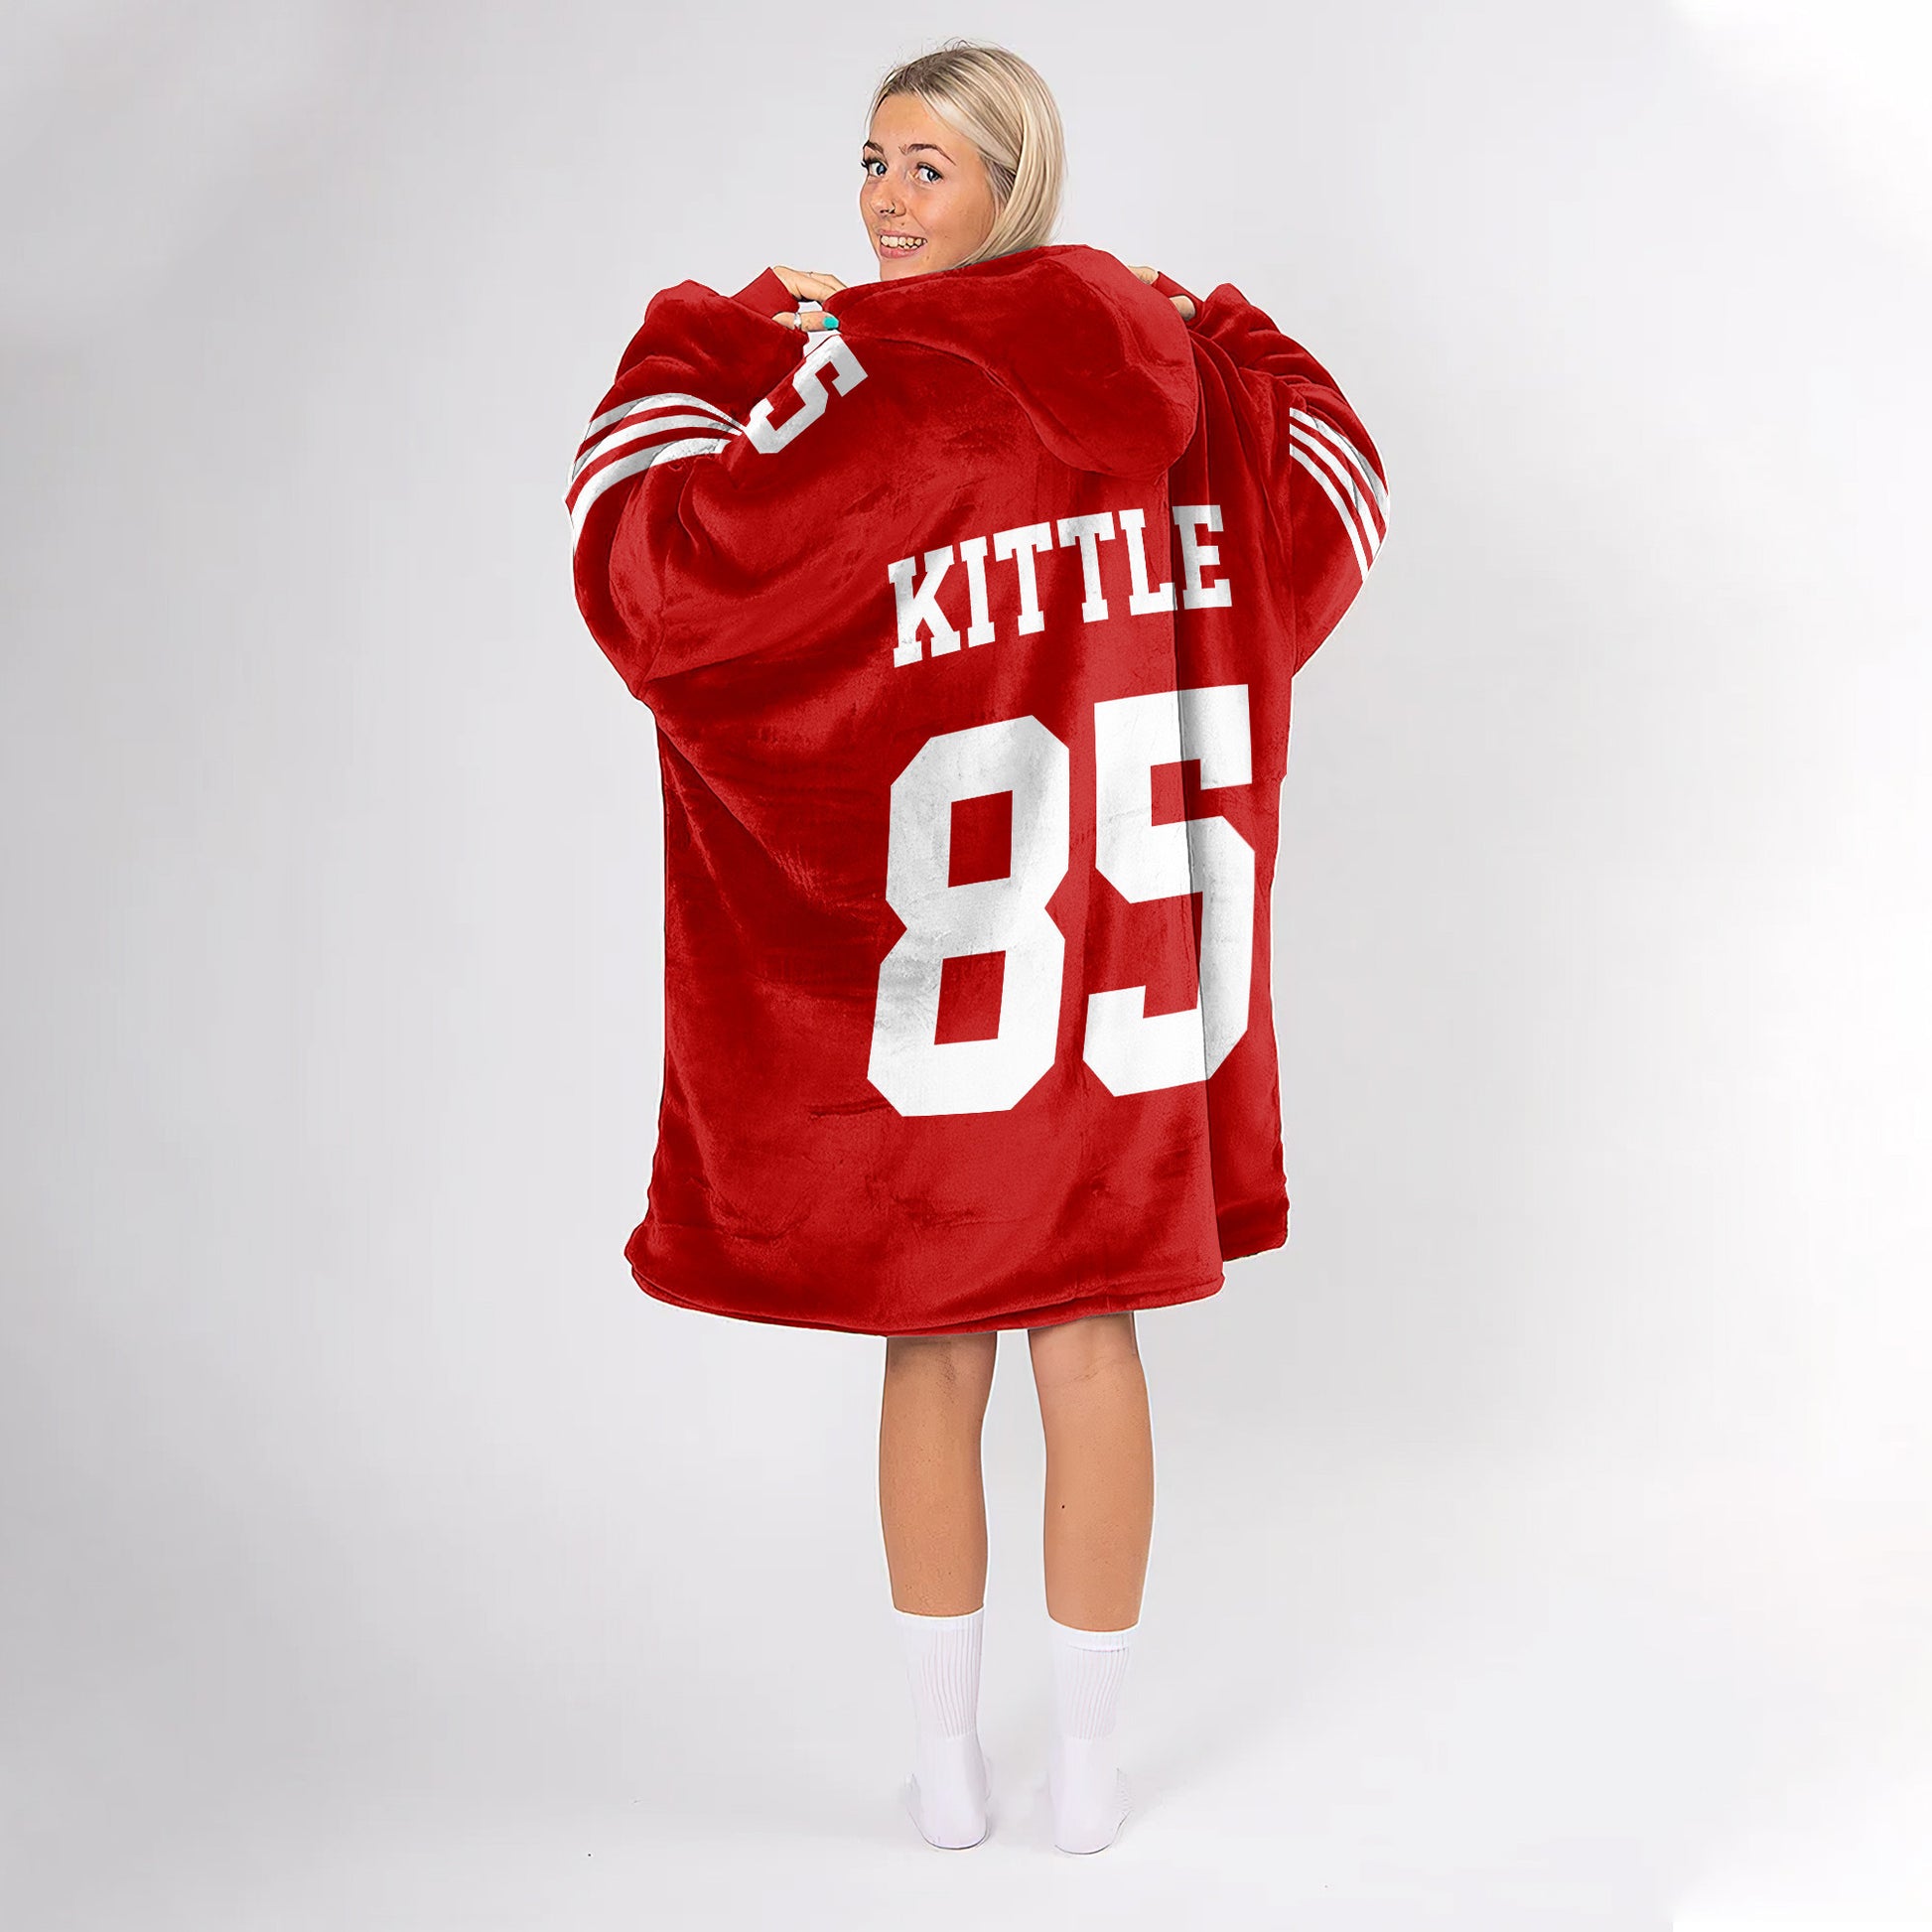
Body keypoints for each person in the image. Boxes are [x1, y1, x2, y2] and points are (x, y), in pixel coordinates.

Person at [564, 40, 1387, 1857]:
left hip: (949, 1029)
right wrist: (1214, 320)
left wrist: (717, 336)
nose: (880, 201)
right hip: (1123, 1022)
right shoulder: (1187, 393)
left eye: (925, 167)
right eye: (871, 161)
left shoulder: (861, 397)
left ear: (1014, 185)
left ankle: (953, 1772)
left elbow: (646, 568)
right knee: (1090, 1347)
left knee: (935, 1357)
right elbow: (1338, 480)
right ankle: (1081, 1772)